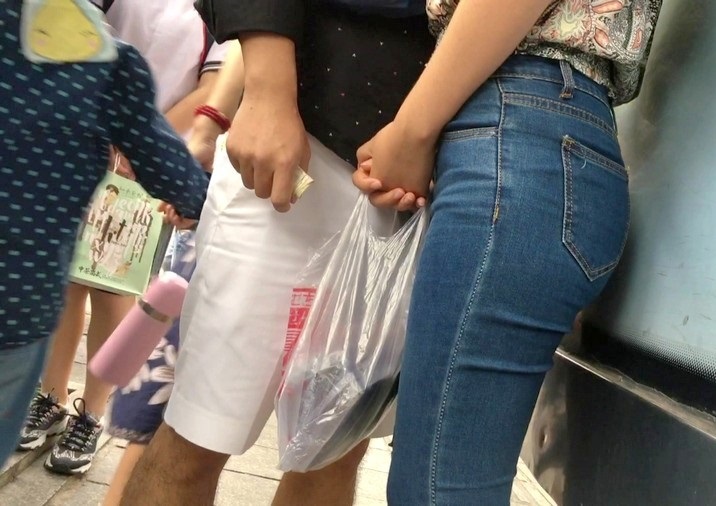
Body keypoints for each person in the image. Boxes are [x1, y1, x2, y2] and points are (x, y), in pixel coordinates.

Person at [120, 3, 435, 505]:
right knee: (200, 428)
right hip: (303, 137)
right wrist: (266, 92)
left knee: (334, 443)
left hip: (424, 177)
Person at [350, 0, 663, 504]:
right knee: (437, 477)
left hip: (520, 124)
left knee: (433, 486)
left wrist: (411, 131)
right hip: (542, 131)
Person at [15, 0, 227, 476]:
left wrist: (142, 141)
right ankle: (50, 397)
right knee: (68, 282)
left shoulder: (216, 11)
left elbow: (211, 88)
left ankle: (91, 413)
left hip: (150, 166)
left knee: (113, 288)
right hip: (86, 146)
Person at [101, 42, 242, 506]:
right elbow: (251, 39)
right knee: (168, 410)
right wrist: (207, 132)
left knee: (326, 434)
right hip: (243, 199)